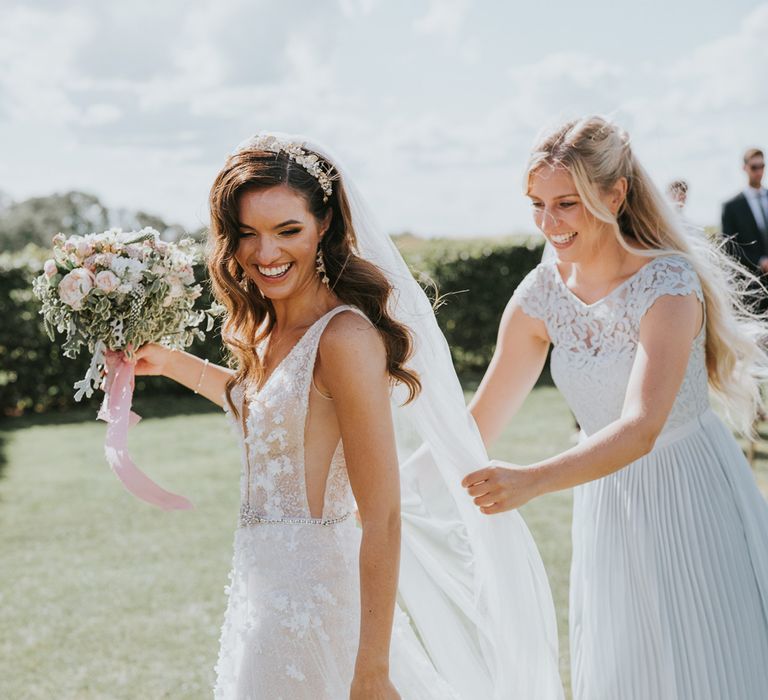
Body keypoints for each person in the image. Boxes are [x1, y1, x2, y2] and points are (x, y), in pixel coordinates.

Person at [133, 134, 563, 699]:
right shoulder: (267, 327)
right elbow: (262, 412)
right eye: (247, 234)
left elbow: (382, 515)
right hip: (261, 593)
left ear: (324, 224)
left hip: (314, 602)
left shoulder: (344, 337)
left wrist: (372, 670)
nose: (266, 254)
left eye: (288, 230)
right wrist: (166, 361)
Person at [464, 116, 768, 700]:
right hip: (606, 504)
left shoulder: (668, 284)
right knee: (627, 670)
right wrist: (392, 486)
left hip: (690, 491)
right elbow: (477, 425)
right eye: (537, 204)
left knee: (712, 663)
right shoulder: (540, 295)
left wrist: (532, 480)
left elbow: (641, 429)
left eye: (567, 204)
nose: (549, 224)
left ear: (615, 193)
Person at [722, 149, 768, 314]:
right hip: (751, 288)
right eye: (754, 167)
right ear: (745, 168)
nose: (759, 171)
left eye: (762, 166)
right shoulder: (731, 207)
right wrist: (760, 262)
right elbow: (730, 248)